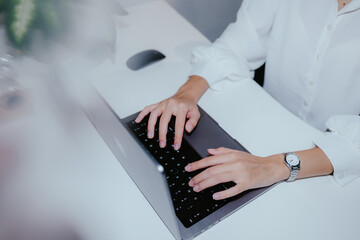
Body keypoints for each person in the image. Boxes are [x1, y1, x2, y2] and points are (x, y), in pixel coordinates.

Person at [135, 0, 360, 200]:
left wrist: (272, 167)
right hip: (261, 131)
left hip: (332, 173)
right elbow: (240, 41)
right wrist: (186, 94)